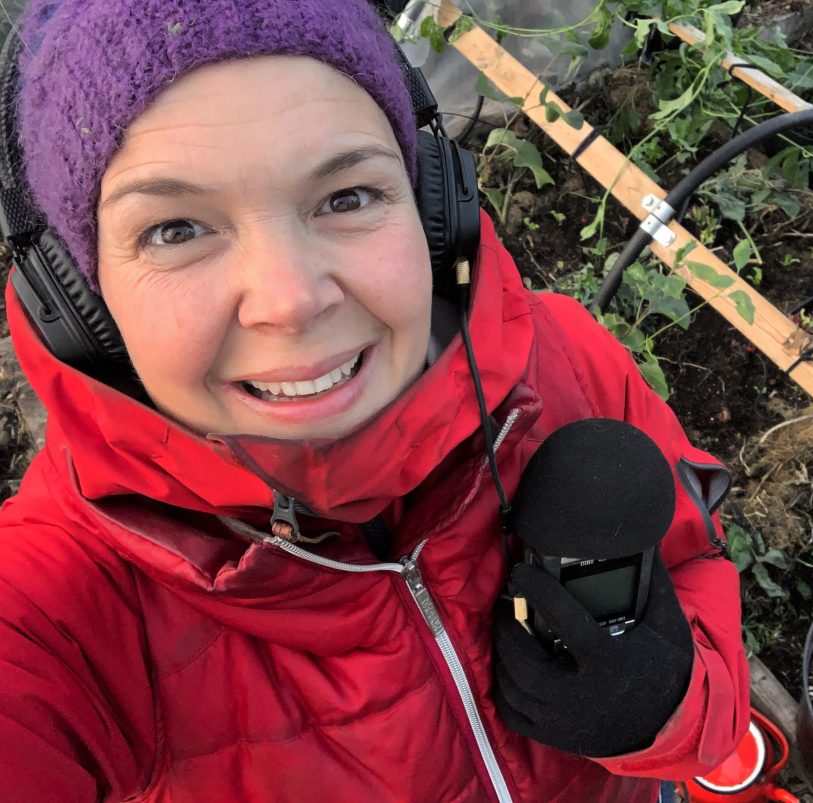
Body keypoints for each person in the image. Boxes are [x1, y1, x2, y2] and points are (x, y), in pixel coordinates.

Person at [0, 0, 749, 800]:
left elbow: (695, 546)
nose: (290, 300)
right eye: (176, 229)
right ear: (81, 301)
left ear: (434, 208)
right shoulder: (53, 608)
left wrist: (671, 707)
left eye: (347, 196)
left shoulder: (567, 358)